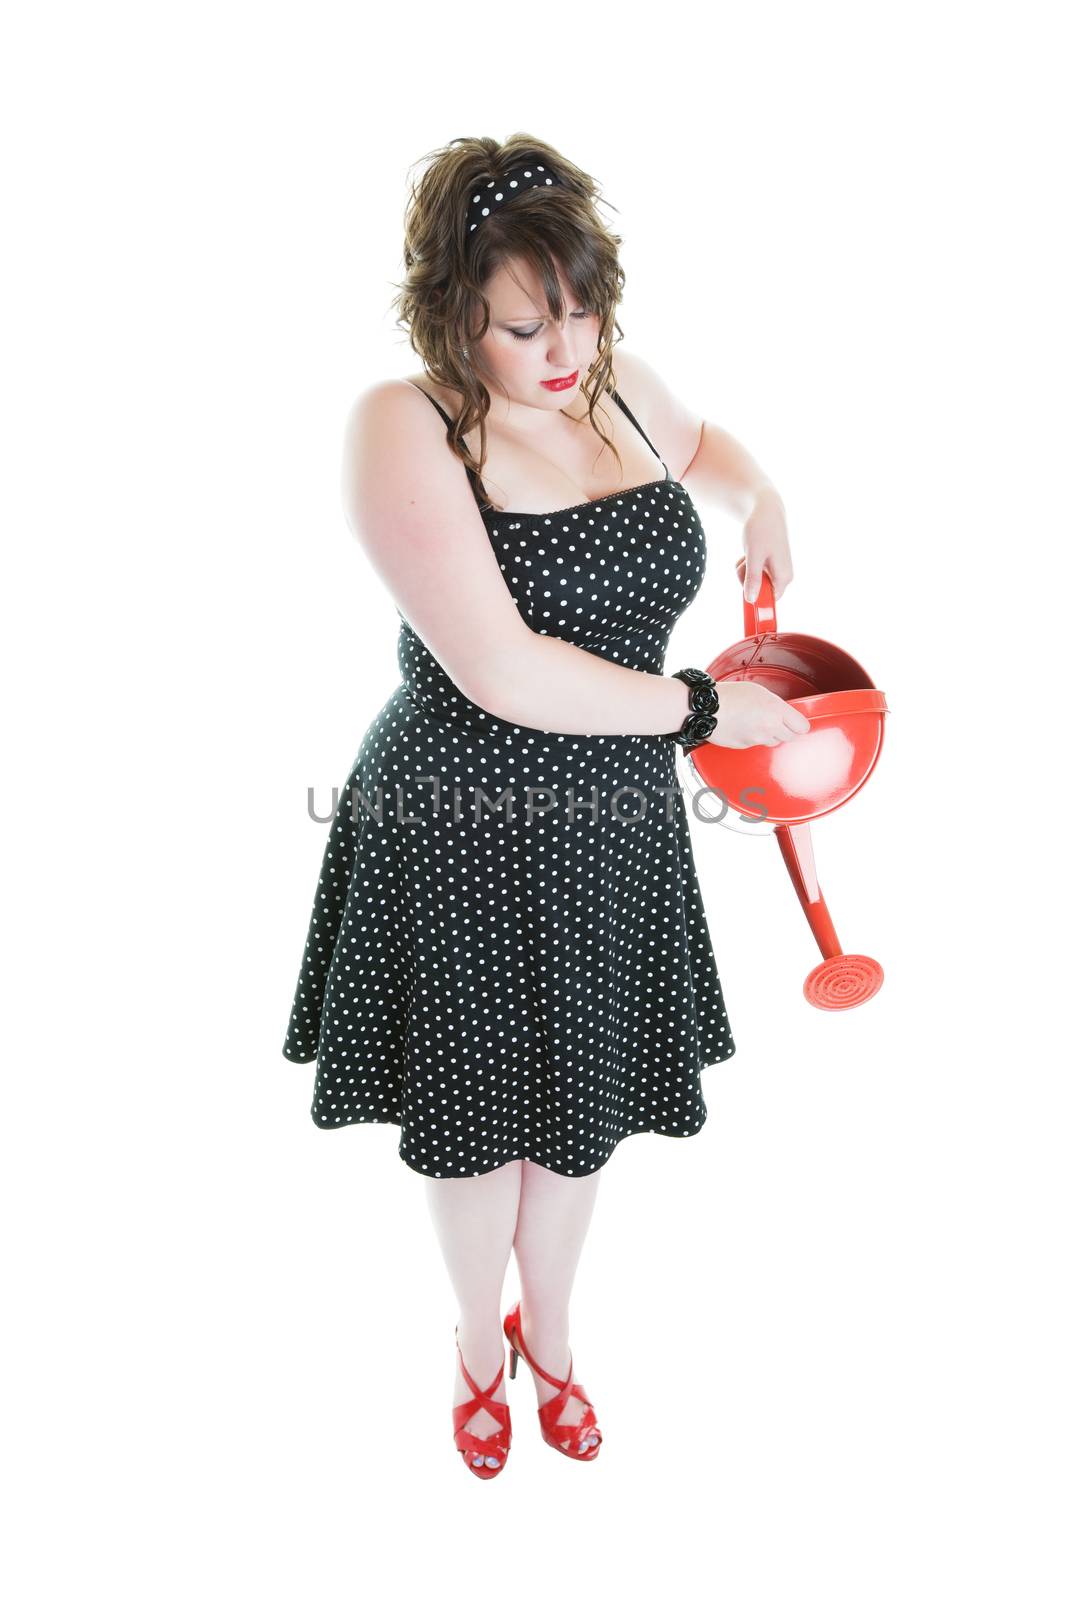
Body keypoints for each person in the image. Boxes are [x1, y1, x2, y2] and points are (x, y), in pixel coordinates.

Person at [281, 134, 808, 1479]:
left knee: (576, 1121)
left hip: (613, 816)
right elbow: (503, 668)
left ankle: (554, 1339)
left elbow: (709, 448)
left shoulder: (620, 386)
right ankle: (474, 1341)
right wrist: (701, 709)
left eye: (582, 311)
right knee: (476, 1133)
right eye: (527, 325)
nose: (566, 348)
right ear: (455, 313)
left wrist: (758, 498)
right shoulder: (402, 424)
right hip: (457, 814)